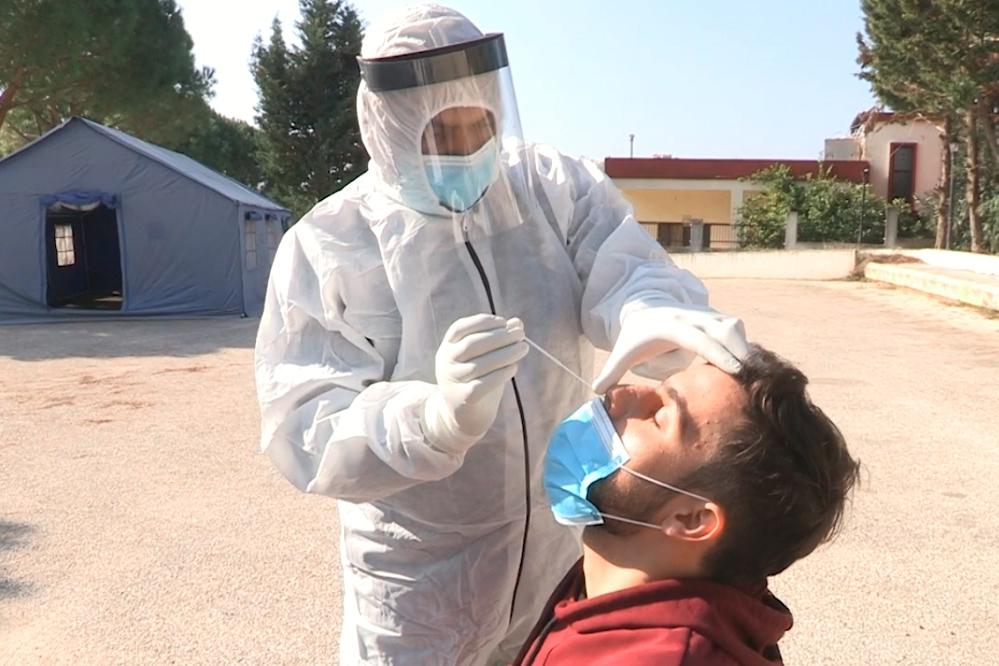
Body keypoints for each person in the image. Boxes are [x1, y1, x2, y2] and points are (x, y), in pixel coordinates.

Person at [254, 4, 748, 664]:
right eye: (441, 133)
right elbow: (306, 425)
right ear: (388, 129)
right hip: (419, 580)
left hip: (552, 553)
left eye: (480, 125)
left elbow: (626, 268)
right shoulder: (330, 245)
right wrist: (433, 418)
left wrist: (656, 315)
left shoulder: (551, 188)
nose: (467, 150)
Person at [514, 346, 860, 665]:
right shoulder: (618, 585)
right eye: (657, 388)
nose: (619, 394)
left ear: (691, 519)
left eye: (658, 415)